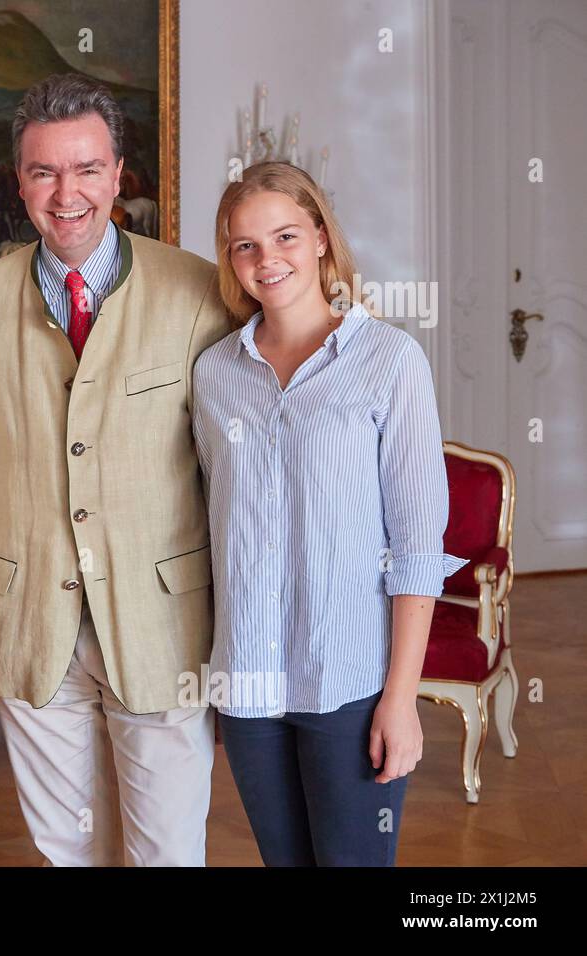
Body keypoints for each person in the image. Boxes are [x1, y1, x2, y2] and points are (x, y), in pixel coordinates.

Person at [0, 73, 232, 866]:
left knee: (167, 851)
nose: (65, 192)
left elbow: (228, 473)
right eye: (44, 172)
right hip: (28, 617)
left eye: (85, 169)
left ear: (117, 174)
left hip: (164, 622)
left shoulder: (198, 291)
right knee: (66, 852)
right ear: (20, 182)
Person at [192, 161, 466, 865]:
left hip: (348, 679)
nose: (266, 259)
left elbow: (415, 543)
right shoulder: (216, 373)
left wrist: (401, 700)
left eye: (284, 235)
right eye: (244, 245)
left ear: (319, 237)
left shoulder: (389, 360)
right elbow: (212, 519)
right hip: (248, 682)